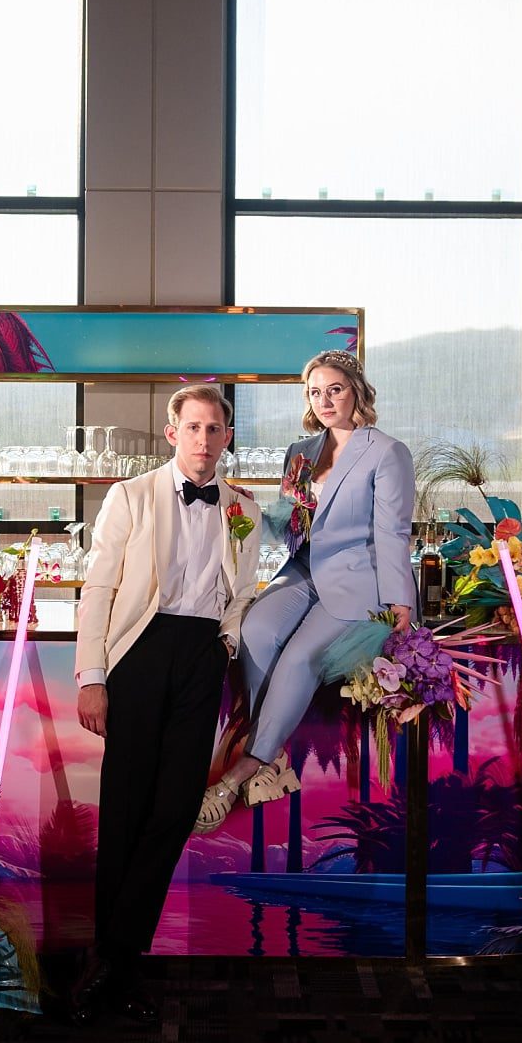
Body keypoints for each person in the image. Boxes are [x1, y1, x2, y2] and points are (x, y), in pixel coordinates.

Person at [73, 384, 263, 1024]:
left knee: (177, 804)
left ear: (227, 437)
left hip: (201, 655)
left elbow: (243, 588)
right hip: (140, 653)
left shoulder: (243, 508)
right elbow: (98, 588)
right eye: (194, 428)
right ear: (171, 431)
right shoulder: (130, 496)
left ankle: (117, 952)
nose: (204, 440)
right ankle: (115, 960)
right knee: (126, 805)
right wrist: (91, 676)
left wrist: (227, 641)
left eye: (215, 429)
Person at [196, 349, 416, 830]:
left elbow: (393, 532)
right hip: (303, 572)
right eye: (316, 392)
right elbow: (290, 526)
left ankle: (242, 771)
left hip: (360, 580)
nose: (325, 400)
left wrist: (401, 600)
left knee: (299, 658)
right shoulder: (301, 452)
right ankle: (271, 758)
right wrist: (253, 510)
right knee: (255, 632)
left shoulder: (387, 452)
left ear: (356, 390)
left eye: (335, 389)